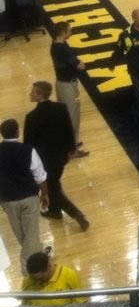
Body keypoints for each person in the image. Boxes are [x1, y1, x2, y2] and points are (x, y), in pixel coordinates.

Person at [24, 82, 88, 231]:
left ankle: (77, 214)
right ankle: (55, 211)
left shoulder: (32, 117)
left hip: (44, 162)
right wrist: (71, 148)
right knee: (54, 187)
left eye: (33, 92)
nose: (30, 94)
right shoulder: (61, 108)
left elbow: (29, 144)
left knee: (53, 189)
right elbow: (68, 130)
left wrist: (28, 164)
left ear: (40, 96)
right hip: (61, 157)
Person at [0, 118, 48, 272]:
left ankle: (39, 257)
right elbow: (40, 175)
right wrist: (45, 194)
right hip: (29, 198)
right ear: (17, 131)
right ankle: (28, 269)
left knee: (21, 234)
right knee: (30, 235)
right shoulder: (28, 150)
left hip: (7, 200)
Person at [48, 24, 88, 158]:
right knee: (71, 116)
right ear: (63, 32)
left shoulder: (55, 45)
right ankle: (71, 150)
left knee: (72, 115)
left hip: (62, 83)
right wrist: (82, 64)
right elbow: (79, 65)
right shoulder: (63, 49)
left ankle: (73, 142)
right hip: (67, 86)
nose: (71, 32)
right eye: (69, 30)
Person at [21, 250, 85, 305]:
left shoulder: (69, 275)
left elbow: (80, 303)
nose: (37, 282)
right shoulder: (28, 281)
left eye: (41, 278)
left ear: (48, 267)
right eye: (34, 279)